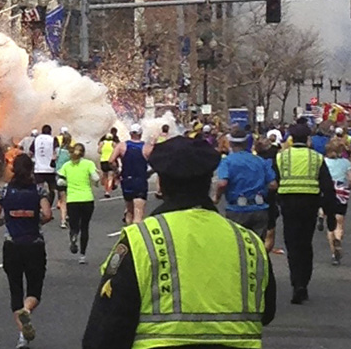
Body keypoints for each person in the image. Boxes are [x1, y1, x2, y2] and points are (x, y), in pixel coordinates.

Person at [82, 136, 275, 349]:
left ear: (161, 185)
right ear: (208, 182)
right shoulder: (249, 242)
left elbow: (105, 330)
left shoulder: (140, 240)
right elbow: (267, 312)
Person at [0, 154, 53, 349]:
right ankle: (27, 309)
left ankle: (22, 338)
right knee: (34, 289)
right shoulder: (38, 190)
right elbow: (48, 214)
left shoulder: (3, 191)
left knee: (15, 290)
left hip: (12, 245)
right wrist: (36, 220)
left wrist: (7, 220)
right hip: (34, 243)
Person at [275, 123, 338, 304]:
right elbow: (327, 187)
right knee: (305, 244)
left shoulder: (281, 157)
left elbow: (273, 182)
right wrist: (330, 214)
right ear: (308, 138)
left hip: (288, 205)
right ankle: (303, 283)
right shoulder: (317, 158)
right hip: (310, 204)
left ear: (291, 138)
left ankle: (296, 282)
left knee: (292, 245)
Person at [214, 129, 277, 239]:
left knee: (239, 246)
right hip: (259, 208)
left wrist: (217, 197)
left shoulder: (227, 161)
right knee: (258, 245)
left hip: (237, 210)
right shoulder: (260, 161)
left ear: (231, 144)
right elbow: (273, 185)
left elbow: (222, 183)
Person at [57, 143, 100, 264]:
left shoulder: (66, 166)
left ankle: (73, 236)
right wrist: (96, 183)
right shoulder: (88, 164)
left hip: (73, 200)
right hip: (87, 199)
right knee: (85, 227)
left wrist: (66, 184)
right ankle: (82, 256)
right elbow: (96, 178)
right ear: (83, 153)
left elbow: (60, 181)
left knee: (74, 224)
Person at [323, 141, 351, 266]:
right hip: (341, 191)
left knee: (330, 222)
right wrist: (348, 188)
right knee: (340, 221)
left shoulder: (323, 162)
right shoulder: (345, 163)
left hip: (328, 191)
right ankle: (338, 238)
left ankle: (333, 253)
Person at [109, 124, 149, 225]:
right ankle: (136, 235)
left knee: (129, 210)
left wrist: (117, 171)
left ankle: (128, 231)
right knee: (138, 211)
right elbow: (156, 162)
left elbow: (111, 161)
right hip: (140, 180)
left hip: (126, 179)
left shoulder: (122, 146)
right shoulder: (147, 147)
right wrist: (149, 173)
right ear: (141, 133)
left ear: (130, 133)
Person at [31, 125, 58, 207]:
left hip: (38, 168)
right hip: (50, 169)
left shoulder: (36, 139)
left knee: (39, 188)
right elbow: (56, 152)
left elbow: (30, 152)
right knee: (52, 189)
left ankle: (39, 205)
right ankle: (49, 205)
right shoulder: (53, 139)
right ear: (50, 131)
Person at [55, 133, 72, 229]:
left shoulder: (58, 151)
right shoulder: (71, 152)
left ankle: (63, 220)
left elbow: (54, 160)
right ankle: (69, 215)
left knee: (62, 200)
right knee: (69, 198)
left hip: (59, 177)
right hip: (69, 178)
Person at [97, 133, 115, 198]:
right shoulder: (113, 143)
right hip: (111, 161)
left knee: (105, 175)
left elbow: (99, 151)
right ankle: (108, 191)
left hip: (103, 160)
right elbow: (116, 151)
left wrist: (104, 152)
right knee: (110, 176)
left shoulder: (102, 143)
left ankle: (105, 190)